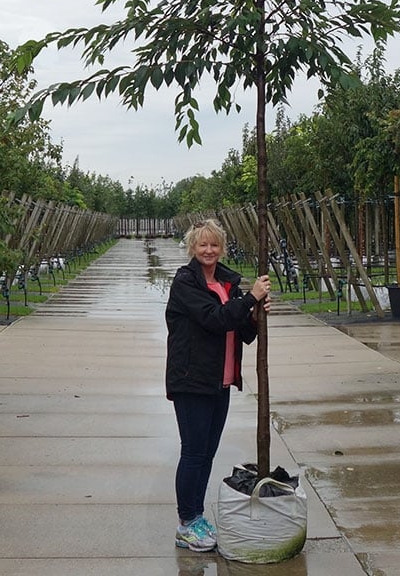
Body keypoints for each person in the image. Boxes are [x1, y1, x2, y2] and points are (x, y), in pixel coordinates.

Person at [165, 218, 271, 553]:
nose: (209, 251)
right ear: (192, 248)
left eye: (214, 245)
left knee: (207, 453)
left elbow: (241, 331)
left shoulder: (227, 282)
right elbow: (214, 320)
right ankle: (187, 522)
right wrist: (249, 299)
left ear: (222, 247)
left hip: (219, 381)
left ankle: (196, 516)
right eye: (202, 245)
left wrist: (253, 314)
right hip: (192, 380)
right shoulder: (186, 283)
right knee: (194, 452)